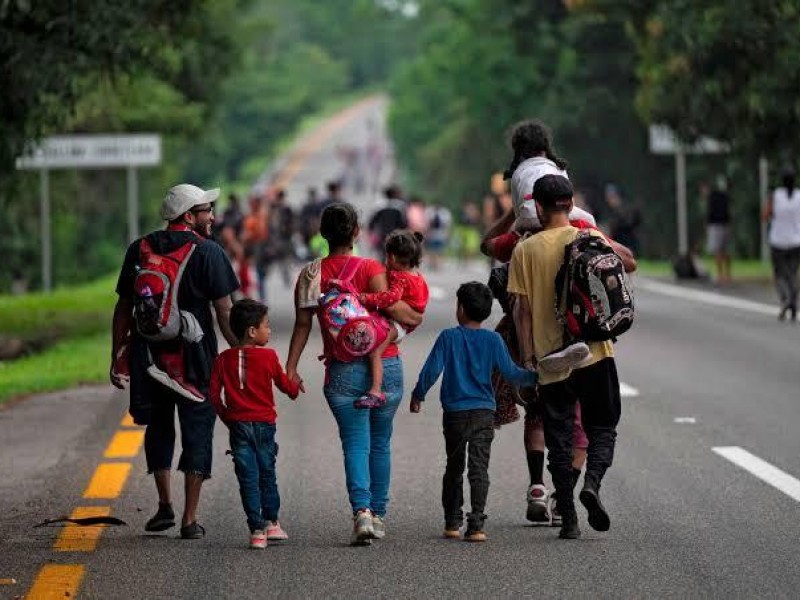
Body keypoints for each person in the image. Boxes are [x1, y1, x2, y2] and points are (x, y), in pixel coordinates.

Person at [285, 202, 423, 546]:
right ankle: (378, 514)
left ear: (322, 234)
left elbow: (303, 325)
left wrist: (291, 368)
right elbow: (401, 312)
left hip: (342, 369)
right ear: (356, 233)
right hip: (386, 364)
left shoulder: (310, 274)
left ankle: (361, 512)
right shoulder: (372, 268)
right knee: (380, 442)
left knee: (355, 444)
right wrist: (416, 317)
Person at [110, 183, 239, 540]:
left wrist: (117, 353)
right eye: (205, 210)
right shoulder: (209, 252)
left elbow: (123, 307)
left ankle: (164, 505)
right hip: (194, 357)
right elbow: (224, 310)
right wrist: (240, 352)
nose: (212, 216)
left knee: (159, 426)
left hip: (148, 355)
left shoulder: (140, 249)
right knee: (197, 428)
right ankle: (189, 519)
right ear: (188, 216)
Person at [509, 175, 622, 540]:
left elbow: (521, 312)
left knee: (558, 438)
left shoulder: (525, 250)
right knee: (601, 428)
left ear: (538, 207)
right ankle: (591, 483)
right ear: (570, 202)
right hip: (595, 351)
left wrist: (527, 359)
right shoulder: (591, 238)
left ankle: (569, 517)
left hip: (552, 360)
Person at [410, 282, 538, 542]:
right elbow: (511, 372)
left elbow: (431, 371)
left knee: (454, 467)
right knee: (479, 469)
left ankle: (452, 522)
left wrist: (418, 395)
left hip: (455, 413)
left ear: (461, 309)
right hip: (483, 413)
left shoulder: (449, 337)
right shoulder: (493, 340)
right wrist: (537, 377)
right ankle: (477, 524)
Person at [209, 299, 302, 549]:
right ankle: (272, 522)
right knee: (267, 474)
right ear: (252, 331)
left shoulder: (223, 359)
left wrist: (228, 417)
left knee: (247, 477)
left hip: (238, 425)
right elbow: (284, 385)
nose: (269, 331)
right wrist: (295, 387)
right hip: (264, 425)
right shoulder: (269, 356)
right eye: (266, 326)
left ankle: (256, 530)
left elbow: (214, 396)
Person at [354, 230, 429, 408]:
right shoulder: (417, 277)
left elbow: (390, 298)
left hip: (398, 324)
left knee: (375, 352)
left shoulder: (399, 277)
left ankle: (375, 391)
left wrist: (366, 298)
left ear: (392, 257)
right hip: (406, 322)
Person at [763, 170, 800, 321]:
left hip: (778, 241)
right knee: (792, 273)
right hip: (796, 241)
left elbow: (765, 215)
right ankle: (793, 300)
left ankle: (785, 298)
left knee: (779, 274)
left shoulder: (775, 195)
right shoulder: (799, 196)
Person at [704, 176, 733, 283]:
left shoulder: (712, 197)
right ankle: (728, 274)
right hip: (725, 224)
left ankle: (720, 275)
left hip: (715, 225)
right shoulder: (725, 196)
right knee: (725, 250)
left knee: (717, 251)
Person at [368, 184, 408, 260]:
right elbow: (403, 222)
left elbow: (373, 221)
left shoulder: (380, 206)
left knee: (383, 253)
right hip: (396, 234)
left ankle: (384, 267)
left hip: (383, 234)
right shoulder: (400, 206)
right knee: (395, 254)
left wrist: (371, 230)